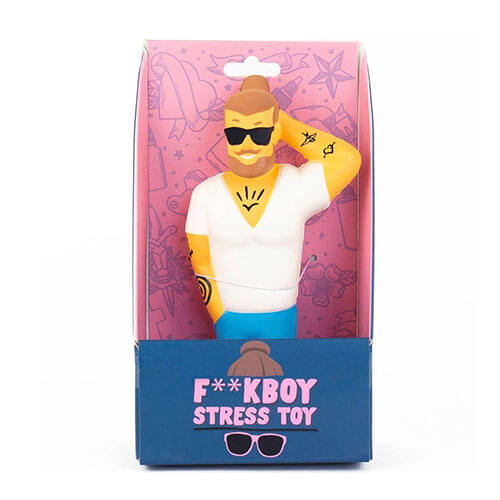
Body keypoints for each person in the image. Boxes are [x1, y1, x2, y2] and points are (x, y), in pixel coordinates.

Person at [185, 75, 361, 339]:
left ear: (274, 131)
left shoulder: (295, 186)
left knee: (283, 365)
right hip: (228, 317)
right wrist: (219, 314)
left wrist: (285, 125)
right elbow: (200, 261)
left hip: (281, 315)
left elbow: (346, 159)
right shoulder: (205, 194)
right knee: (231, 365)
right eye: (236, 134)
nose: (247, 143)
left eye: (259, 133)